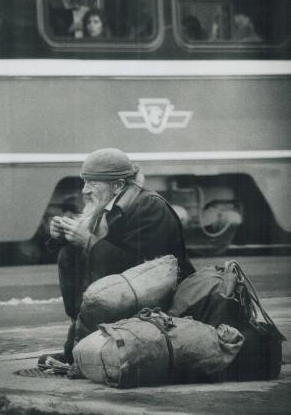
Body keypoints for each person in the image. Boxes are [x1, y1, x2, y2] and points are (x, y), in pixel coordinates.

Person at [38, 148, 195, 375]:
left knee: (80, 253)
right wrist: (58, 237)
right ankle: (78, 346)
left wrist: (89, 242)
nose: (85, 190)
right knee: (68, 254)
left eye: (92, 183)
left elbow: (144, 271)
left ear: (118, 185)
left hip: (161, 298)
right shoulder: (110, 203)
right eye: (85, 182)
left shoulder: (149, 207)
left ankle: (86, 348)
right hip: (127, 290)